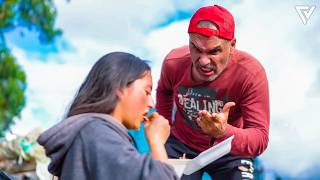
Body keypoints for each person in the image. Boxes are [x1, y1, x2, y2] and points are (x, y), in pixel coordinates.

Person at [156, 5, 269, 180]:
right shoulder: (174, 63)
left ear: (232, 45)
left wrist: (223, 132)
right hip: (181, 144)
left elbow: (259, 139)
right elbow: (164, 91)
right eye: (195, 48)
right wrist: (163, 132)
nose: (203, 61)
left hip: (229, 150)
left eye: (214, 51)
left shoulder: (250, 74)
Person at [37, 52, 178, 180]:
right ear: (120, 88)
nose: (151, 104)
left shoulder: (94, 133)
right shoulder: (97, 132)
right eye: (146, 92)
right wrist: (156, 141)